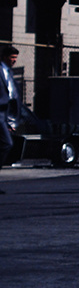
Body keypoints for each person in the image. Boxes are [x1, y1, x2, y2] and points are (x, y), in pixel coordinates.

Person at [0, 45, 19, 188]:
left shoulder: (9, 72)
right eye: (12, 58)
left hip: (4, 115)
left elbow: (12, 97)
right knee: (7, 143)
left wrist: (11, 122)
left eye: (15, 58)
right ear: (5, 57)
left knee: (6, 144)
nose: (14, 61)